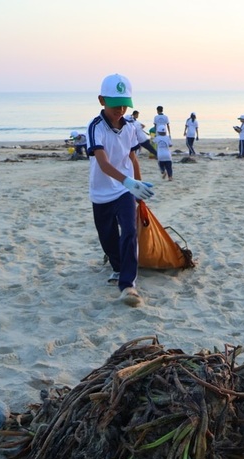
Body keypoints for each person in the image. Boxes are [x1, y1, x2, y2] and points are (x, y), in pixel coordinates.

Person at [87, 73, 154, 306]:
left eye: (125, 104)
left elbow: (132, 158)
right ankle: (117, 266)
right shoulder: (95, 127)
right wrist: (127, 181)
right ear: (102, 100)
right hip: (102, 191)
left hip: (125, 191)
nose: (121, 110)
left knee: (129, 231)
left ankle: (128, 286)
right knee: (107, 236)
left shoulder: (131, 127)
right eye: (116, 105)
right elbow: (103, 163)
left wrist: (138, 187)